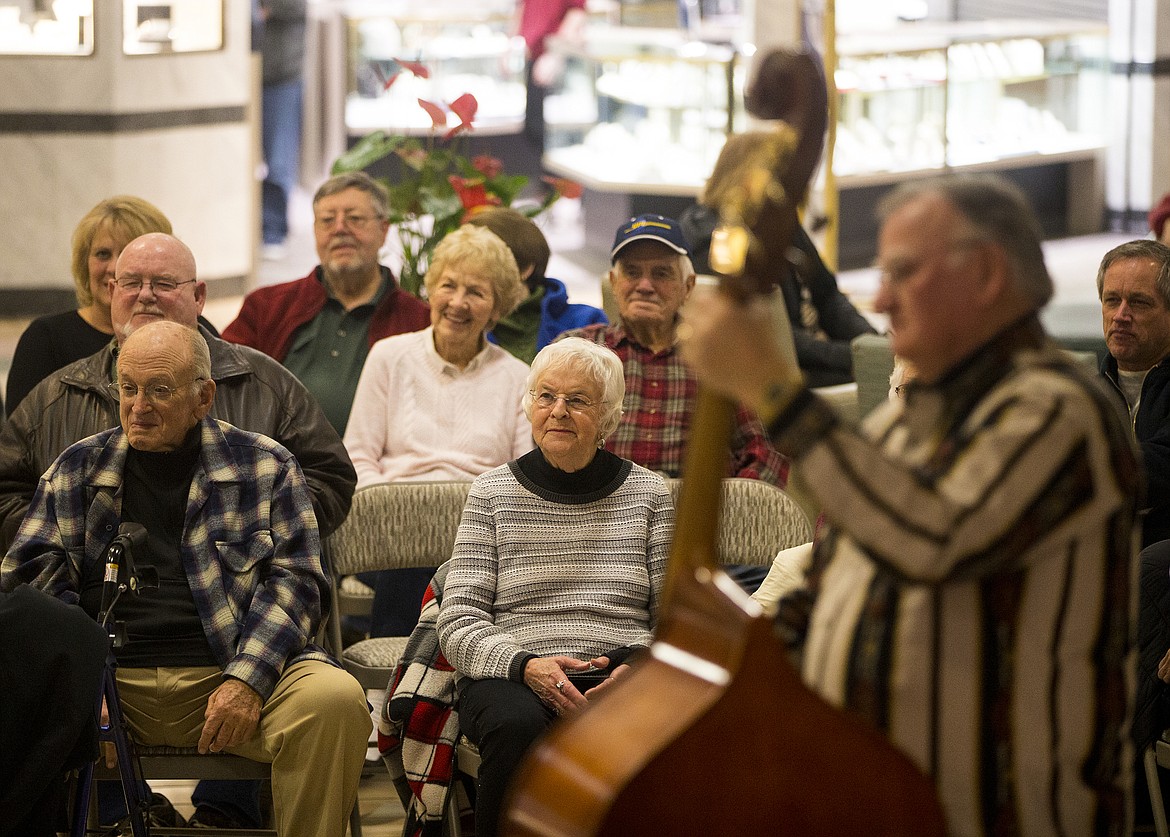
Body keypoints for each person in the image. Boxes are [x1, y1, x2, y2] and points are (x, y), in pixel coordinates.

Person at [678, 174, 1140, 835]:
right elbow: (837, 572)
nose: (882, 298)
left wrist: (772, 388)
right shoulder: (909, 418)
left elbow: (934, 538)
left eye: (902, 272)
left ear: (983, 274)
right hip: (879, 798)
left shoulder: (1059, 410)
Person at [0, 233, 357, 828]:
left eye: (160, 391)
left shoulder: (264, 466)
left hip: (230, 669)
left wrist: (247, 679)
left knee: (336, 702)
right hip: (115, 683)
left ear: (203, 396)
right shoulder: (78, 467)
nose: (139, 407)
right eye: (129, 390)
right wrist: (86, 690)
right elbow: (32, 584)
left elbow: (297, 583)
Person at [437, 337, 674, 837]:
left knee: (655, 727)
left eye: (578, 400)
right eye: (546, 397)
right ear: (529, 406)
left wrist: (637, 667)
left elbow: (676, 620)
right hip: (514, 672)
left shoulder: (650, 495)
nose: (558, 412)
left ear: (608, 416)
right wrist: (526, 666)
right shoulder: (492, 493)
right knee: (516, 727)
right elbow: (458, 622)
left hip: (621, 669)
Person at [344, 224, 532, 637]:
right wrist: (391, 520)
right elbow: (358, 455)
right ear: (431, 290)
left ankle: (422, 682)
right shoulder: (390, 357)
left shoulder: (519, 376)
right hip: (394, 533)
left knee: (459, 568)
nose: (458, 303)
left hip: (477, 535)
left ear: (497, 308)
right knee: (418, 561)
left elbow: (522, 477)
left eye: (476, 292)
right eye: (448, 286)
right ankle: (415, 680)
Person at [564, 213, 788, 485]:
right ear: (614, 282)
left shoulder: (721, 356)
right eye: (632, 272)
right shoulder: (576, 352)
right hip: (602, 515)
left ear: (688, 287)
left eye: (661, 273)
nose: (645, 286)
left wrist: (731, 512)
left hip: (699, 517)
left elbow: (767, 451)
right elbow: (550, 442)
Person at [223, 171, 430, 434]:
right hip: (278, 464)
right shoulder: (266, 306)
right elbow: (222, 379)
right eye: (327, 220)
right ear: (315, 231)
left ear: (383, 230)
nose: (340, 229)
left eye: (355, 219)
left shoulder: (420, 321)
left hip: (381, 469)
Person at [681, 201, 877, 387]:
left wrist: (873, 342)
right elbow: (765, 333)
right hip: (757, 368)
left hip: (800, 354)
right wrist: (853, 356)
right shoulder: (715, 239)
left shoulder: (780, 218)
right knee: (870, 381)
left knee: (879, 371)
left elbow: (827, 295)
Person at [5, 195, 172, 413]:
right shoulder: (45, 340)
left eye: (127, 253)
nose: (114, 267)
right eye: (103, 254)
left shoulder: (192, 331)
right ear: (85, 264)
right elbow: (20, 438)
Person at [1097, 239, 1170, 548]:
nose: (1120, 315)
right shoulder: (1088, 390)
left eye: (1139, 302)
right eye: (1112, 300)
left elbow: (1160, 468)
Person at [466, 206, 607, 364]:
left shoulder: (586, 321)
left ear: (525, 268)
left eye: (485, 262)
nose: (470, 273)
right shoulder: (457, 318)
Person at [258, 0, 306, 259]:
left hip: (281, 79)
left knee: (279, 161)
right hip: (247, 75)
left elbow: (296, 8)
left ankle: (273, 231)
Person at [513, 0, 587, 162]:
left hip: (556, 59)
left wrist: (556, 53)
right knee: (534, 131)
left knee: (554, 139)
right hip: (534, 54)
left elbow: (577, 12)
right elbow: (523, 7)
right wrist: (513, 42)